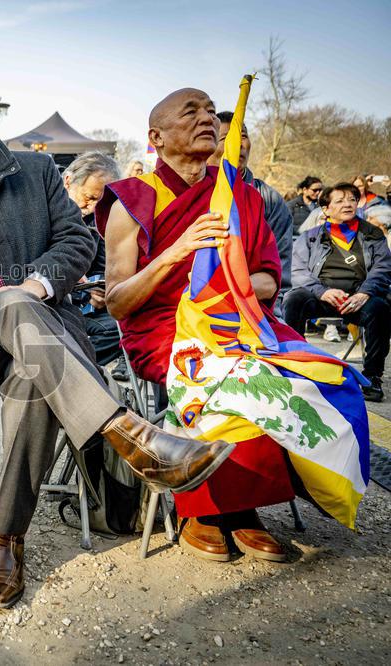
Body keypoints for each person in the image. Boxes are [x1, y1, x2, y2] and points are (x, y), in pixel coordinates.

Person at [0, 68, 233, 609]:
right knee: (10, 306)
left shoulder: (34, 171)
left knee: (30, 365)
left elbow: (78, 243)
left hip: (37, 340)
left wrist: (34, 282)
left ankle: (4, 540)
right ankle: (125, 431)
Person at [97, 87, 365, 563]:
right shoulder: (134, 199)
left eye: (209, 110)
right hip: (165, 331)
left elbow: (267, 280)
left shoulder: (239, 194)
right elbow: (118, 302)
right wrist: (180, 251)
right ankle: (204, 508)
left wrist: (223, 280)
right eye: (190, 111)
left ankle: (246, 506)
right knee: (232, 373)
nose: (207, 118)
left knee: (319, 372)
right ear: (156, 137)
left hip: (239, 321)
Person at [284, 182, 391, 401]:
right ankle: (295, 367)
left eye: (352, 199)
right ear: (326, 209)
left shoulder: (373, 234)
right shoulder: (310, 236)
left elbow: (383, 268)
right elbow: (297, 271)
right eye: (340, 200)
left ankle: (372, 377)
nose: (348, 204)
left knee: (380, 308)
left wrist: (364, 293)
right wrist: (321, 291)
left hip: (359, 297)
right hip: (321, 295)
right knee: (293, 299)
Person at [208, 111, 293, 302]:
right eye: (225, 138)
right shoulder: (196, 192)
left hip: (255, 306)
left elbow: (279, 278)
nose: (238, 143)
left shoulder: (269, 200)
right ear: (208, 145)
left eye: (243, 135)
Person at [61, 151, 125, 374]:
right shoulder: (44, 214)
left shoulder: (100, 222)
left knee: (122, 328)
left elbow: (102, 267)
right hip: (50, 307)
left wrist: (101, 292)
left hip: (83, 308)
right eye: (89, 197)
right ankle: (63, 373)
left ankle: (69, 373)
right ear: (68, 182)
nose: (94, 206)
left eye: (102, 201)